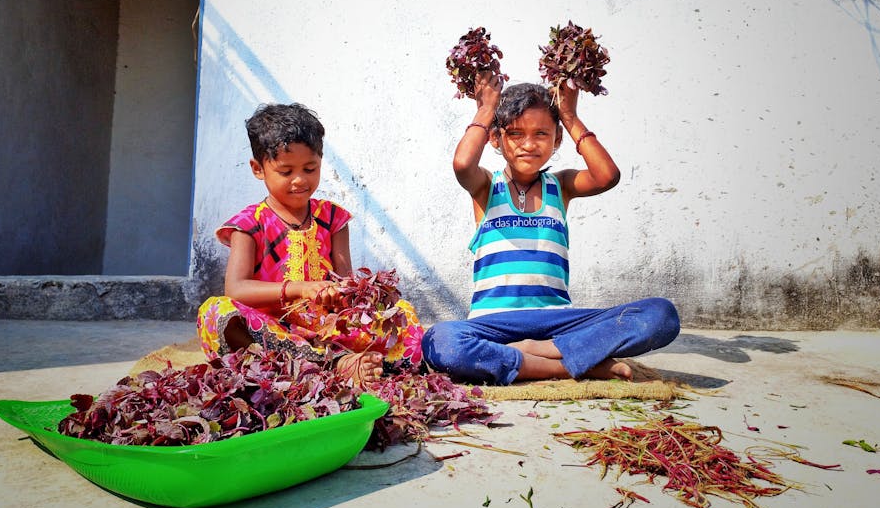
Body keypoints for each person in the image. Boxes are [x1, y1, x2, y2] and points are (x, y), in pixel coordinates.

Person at [420, 75, 680, 385]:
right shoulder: (487, 187)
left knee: (661, 316)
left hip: (557, 321)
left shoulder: (561, 185)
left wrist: (569, 117)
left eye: (541, 134)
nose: (528, 144)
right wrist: (486, 109)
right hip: (494, 325)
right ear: (495, 139)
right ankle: (569, 365)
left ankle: (534, 352)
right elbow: (463, 165)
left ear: (557, 140)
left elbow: (607, 175)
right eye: (515, 133)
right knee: (442, 341)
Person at [197, 102, 424, 385]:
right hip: (272, 331)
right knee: (216, 312)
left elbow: (346, 282)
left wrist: (340, 295)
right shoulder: (248, 224)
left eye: (310, 168)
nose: (300, 180)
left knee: (403, 314)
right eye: (286, 171)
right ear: (258, 169)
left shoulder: (333, 219)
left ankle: (335, 363)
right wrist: (300, 289)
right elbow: (236, 289)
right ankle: (333, 365)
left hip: (327, 329)